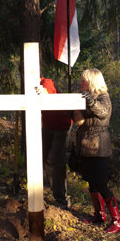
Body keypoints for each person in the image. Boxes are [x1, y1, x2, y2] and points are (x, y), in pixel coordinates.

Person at [73, 68, 120, 233]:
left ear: (92, 82)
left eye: (84, 81)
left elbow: (103, 113)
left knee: (102, 184)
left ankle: (117, 220)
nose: (81, 83)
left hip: (99, 147)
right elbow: (79, 120)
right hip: (85, 146)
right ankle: (99, 215)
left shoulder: (103, 97)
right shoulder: (84, 97)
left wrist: (91, 102)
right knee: (92, 184)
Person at [39, 77, 72, 208]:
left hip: (61, 126)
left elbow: (49, 92)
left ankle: (62, 199)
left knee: (56, 161)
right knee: (45, 159)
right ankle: (51, 188)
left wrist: (44, 92)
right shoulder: (30, 85)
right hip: (48, 126)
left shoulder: (46, 82)